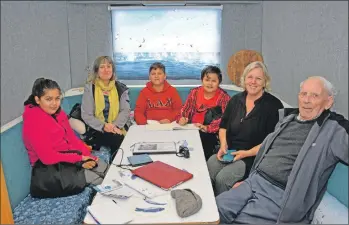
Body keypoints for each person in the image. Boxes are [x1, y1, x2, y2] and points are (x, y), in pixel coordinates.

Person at [216, 76, 348, 224]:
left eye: (315, 95)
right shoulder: (288, 118)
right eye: (303, 94)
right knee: (214, 212)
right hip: (253, 181)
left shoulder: (334, 129)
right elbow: (268, 150)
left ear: (328, 102)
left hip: (279, 195)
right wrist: (248, 181)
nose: (306, 100)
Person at [207, 61, 284, 196]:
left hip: (252, 157)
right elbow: (223, 126)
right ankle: (210, 205)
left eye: (258, 78)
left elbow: (272, 141)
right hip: (230, 152)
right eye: (250, 77)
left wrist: (246, 153)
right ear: (244, 79)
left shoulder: (273, 106)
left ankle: (223, 213)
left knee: (223, 178)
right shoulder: (235, 100)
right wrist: (223, 145)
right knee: (210, 165)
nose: (253, 82)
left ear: (265, 82)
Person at [22, 78, 109, 197]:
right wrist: (79, 160)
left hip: (68, 161)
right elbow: (48, 158)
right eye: (48, 99)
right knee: (99, 180)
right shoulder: (33, 122)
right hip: (49, 170)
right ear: (37, 99)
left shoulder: (59, 114)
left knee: (106, 169)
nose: (54, 103)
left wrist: (88, 157)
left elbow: (72, 139)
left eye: (57, 98)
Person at [177, 66, 230, 160]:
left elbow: (224, 119)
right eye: (207, 80)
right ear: (202, 80)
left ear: (219, 82)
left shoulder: (224, 97)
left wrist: (207, 128)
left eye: (214, 81)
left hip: (211, 133)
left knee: (203, 144)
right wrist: (183, 118)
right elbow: (186, 109)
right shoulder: (195, 92)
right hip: (192, 128)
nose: (210, 83)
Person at [81, 56, 130, 157]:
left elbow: (125, 110)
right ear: (96, 71)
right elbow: (87, 115)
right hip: (97, 128)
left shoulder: (121, 88)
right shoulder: (90, 88)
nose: (106, 70)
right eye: (102, 67)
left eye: (109, 66)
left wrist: (115, 126)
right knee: (117, 139)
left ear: (113, 70)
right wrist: (104, 126)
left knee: (118, 137)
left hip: (117, 127)